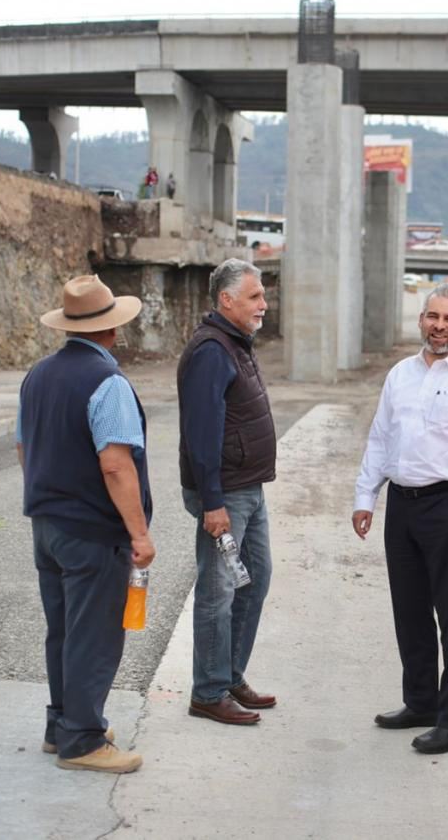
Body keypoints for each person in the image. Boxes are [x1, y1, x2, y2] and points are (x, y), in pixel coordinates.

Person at [352, 285, 448, 755]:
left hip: (447, 505)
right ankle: (420, 701)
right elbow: (381, 437)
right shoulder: (400, 374)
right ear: (421, 320)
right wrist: (366, 496)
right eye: (433, 316)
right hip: (402, 503)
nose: (440, 326)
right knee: (409, 610)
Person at [16, 275, 156, 773]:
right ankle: (83, 739)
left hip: (46, 524)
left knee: (63, 630)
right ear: (112, 330)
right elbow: (116, 464)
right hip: (93, 533)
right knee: (94, 634)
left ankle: (64, 724)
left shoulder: (37, 374)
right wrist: (139, 534)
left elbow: (23, 447)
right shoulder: (108, 383)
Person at [178, 258, 278, 724]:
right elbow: (202, 436)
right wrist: (213, 502)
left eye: (262, 295)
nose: (264, 304)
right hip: (225, 495)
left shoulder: (236, 343)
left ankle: (230, 675)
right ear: (227, 299)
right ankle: (208, 691)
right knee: (219, 590)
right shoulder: (211, 352)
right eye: (255, 296)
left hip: (248, 489)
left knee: (254, 579)